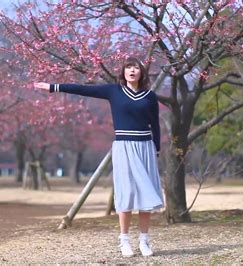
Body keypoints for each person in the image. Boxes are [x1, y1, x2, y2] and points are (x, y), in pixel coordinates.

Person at [34, 57, 164, 257]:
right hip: (124, 147)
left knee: (145, 196)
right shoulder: (114, 91)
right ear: (123, 71)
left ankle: (144, 241)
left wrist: (156, 148)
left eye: (136, 67)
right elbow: (83, 89)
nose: (132, 70)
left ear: (142, 72)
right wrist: (53, 87)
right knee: (127, 194)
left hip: (145, 146)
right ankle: (124, 240)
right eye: (128, 67)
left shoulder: (149, 96)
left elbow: (155, 124)